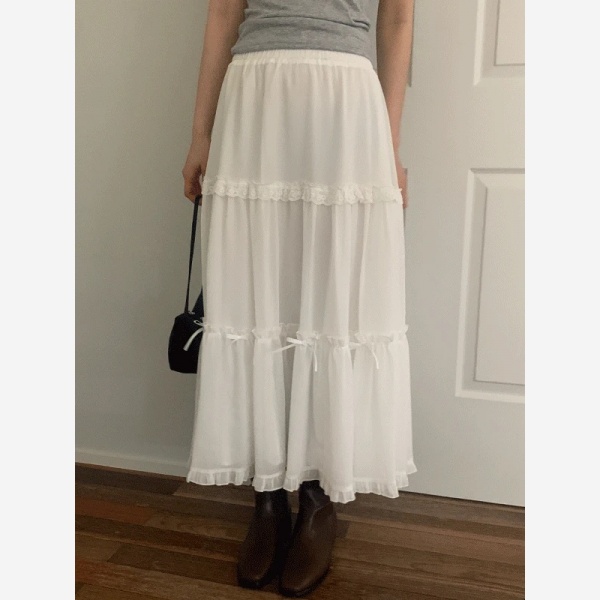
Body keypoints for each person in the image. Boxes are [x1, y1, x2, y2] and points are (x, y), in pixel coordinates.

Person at [181, 1, 415, 596]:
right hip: (254, 96)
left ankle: (316, 500)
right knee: (253, 297)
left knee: (331, 305)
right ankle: (266, 500)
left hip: (345, 102)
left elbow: (397, 19)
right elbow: (223, 11)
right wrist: (201, 132)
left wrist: (387, 146)